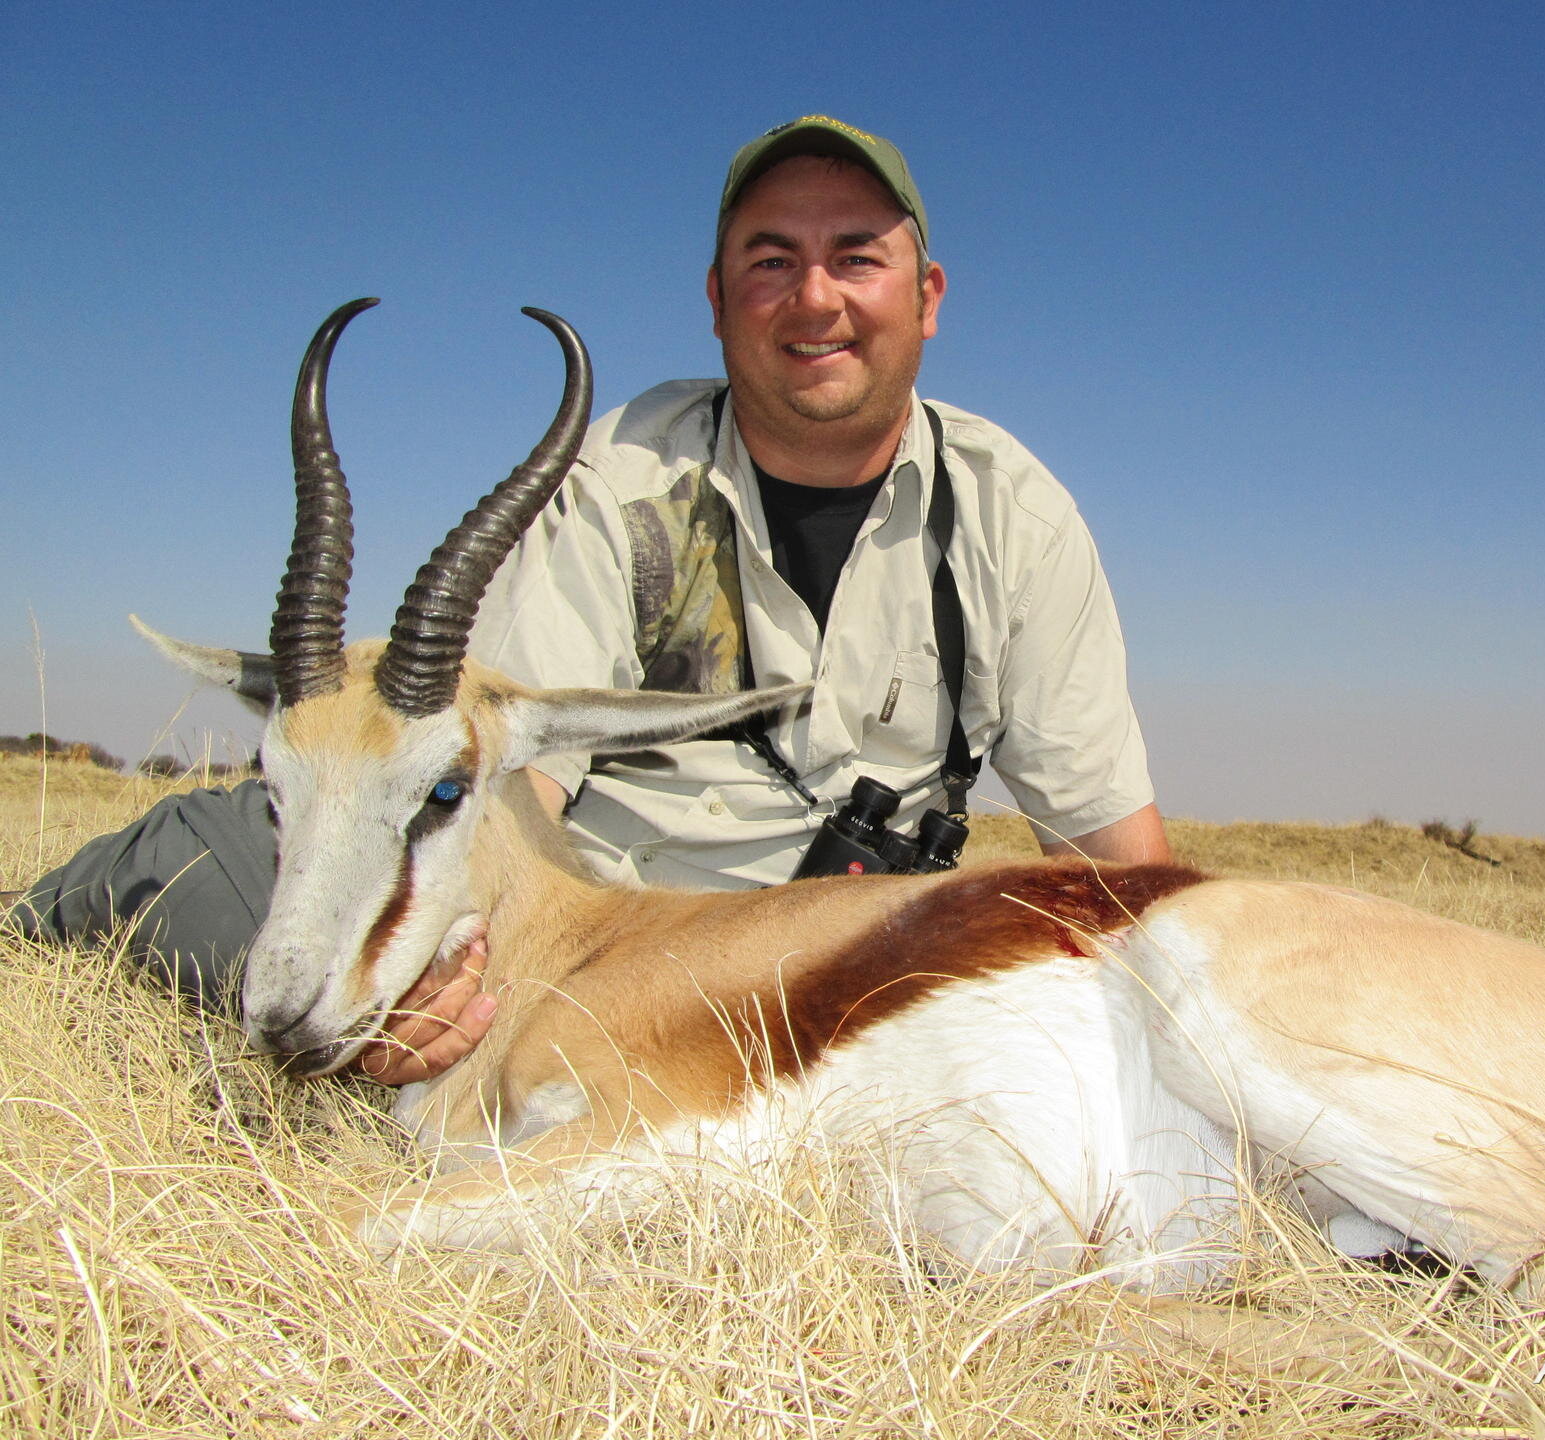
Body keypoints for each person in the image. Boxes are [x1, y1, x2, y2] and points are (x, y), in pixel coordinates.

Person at [7, 115, 1170, 1085]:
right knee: (214, 861)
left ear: (927, 296)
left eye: (857, 257)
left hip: (834, 973)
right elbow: (514, 788)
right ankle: (35, 922)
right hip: (606, 941)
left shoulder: (1013, 513)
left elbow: (1121, 855)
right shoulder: (618, 481)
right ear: (718, 299)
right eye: (771, 261)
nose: (814, 298)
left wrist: (1188, 1018)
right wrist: (446, 981)